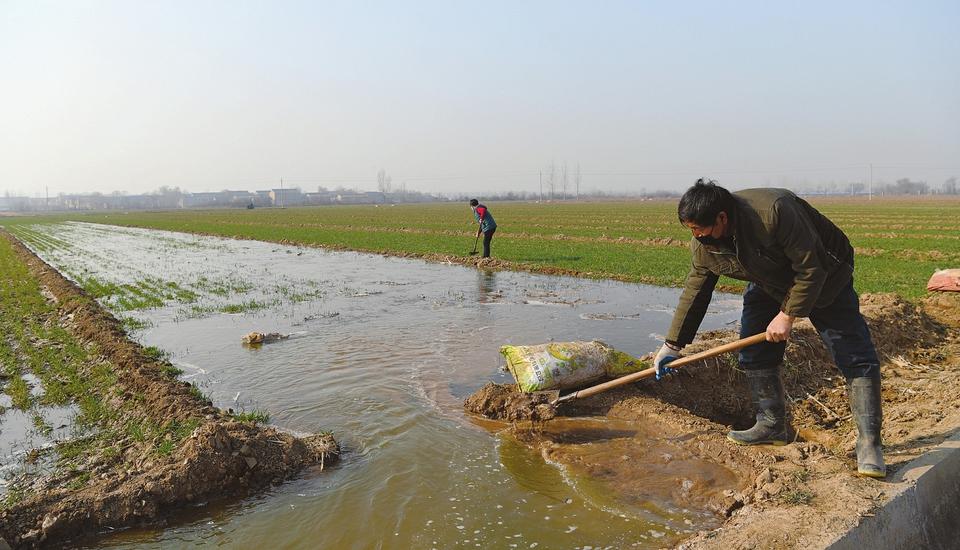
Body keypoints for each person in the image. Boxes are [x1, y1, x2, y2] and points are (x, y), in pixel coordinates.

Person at [654, 179, 885, 478]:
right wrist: (672, 345)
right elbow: (696, 290)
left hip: (827, 273)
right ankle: (772, 425)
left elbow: (811, 268)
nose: (697, 236)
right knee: (754, 349)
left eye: (701, 229)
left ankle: (869, 444)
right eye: (692, 230)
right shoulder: (705, 245)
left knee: (853, 355)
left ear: (722, 218)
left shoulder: (774, 212)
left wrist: (788, 315)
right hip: (769, 279)